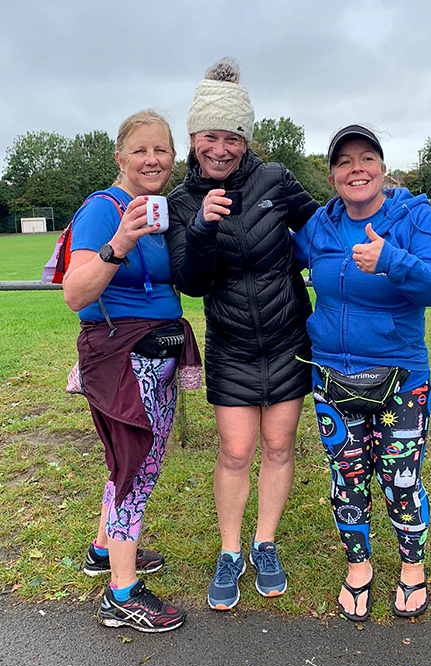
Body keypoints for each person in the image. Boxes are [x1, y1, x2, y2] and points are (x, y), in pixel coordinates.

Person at [167, 58, 319, 610]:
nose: (222, 148)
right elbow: (189, 279)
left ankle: (265, 542)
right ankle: (230, 550)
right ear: (193, 137)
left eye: (233, 137)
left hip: (286, 341)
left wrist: (384, 211)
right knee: (235, 452)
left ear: (246, 138)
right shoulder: (182, 201)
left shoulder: (276, 180)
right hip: (230, 346)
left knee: (279, 447)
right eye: (211, 135)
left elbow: (323, 226)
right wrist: (202, 225)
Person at [292, 124, 431, 621]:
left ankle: (411, 569)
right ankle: (358, 567)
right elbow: (276, 259)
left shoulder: (414, 217)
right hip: (332, 378)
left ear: (383, 169)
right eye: (344, 162)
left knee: (401, 479)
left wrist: (392, 260)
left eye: (366, 158)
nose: (356, 168)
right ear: (332, 176)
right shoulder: (320, 227)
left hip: (401, 376)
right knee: (347, 479)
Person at [63, 109, 200, 632]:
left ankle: (105, 550)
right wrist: (119, 242)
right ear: (120, 156)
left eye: (161, 150)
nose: (152, 159)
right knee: (135, 469)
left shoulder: (159, 210)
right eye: (140, 150)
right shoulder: (103, 209)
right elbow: (76, 292)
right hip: (123, 358)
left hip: (154, 355)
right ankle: (121, 595)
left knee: (130, 459)